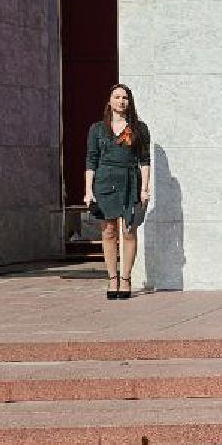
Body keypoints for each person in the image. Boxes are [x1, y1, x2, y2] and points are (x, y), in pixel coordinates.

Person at [84, 83, 151, 300]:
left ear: (129, 102)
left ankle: (126, 278)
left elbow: (145, 161)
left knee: (129, 230)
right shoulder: (97, 129)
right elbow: (91, 161)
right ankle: (112, 278)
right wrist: (88, 190)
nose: (121, 101)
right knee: (109, 231)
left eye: (125, 97)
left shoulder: (139, 128)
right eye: (117, 97)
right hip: (105, 182)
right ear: (109, 101)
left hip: (130, 182)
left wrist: (144, 189)